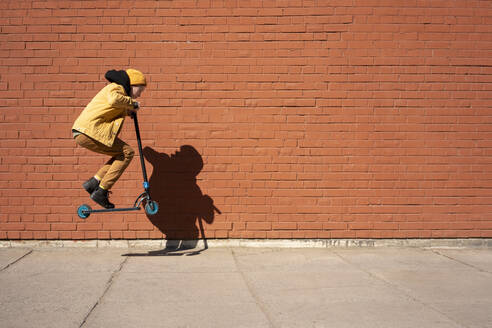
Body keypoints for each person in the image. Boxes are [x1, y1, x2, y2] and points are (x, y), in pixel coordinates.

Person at [72, 69, 147, 209]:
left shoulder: (118, 91)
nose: (139, 94)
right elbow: (114, 100)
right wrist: (133, 104)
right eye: (140, 90)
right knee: (127, 152)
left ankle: (94, 183)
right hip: (89, 131)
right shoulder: (116, 87)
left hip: (85, 131)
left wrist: (127, 111)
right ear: (132, 85)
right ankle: (101, 191)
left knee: (120, 154)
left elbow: (111, 106)